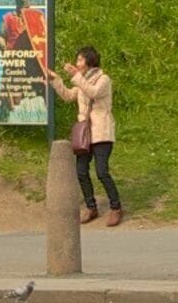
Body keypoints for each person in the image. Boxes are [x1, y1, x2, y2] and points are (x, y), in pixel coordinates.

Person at [45, 44, 121, 227]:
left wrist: (75, 76)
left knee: (102, 171)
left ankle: (116, 207)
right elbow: (69, 96)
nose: (77, 63)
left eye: (80, 59)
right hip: (85, 134)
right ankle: (91, 206)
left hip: (101, 133)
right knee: (81, 171)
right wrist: (56, 80)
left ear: (89, 61)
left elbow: (92, 92)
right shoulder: (82, 81)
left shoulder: (103, 79)